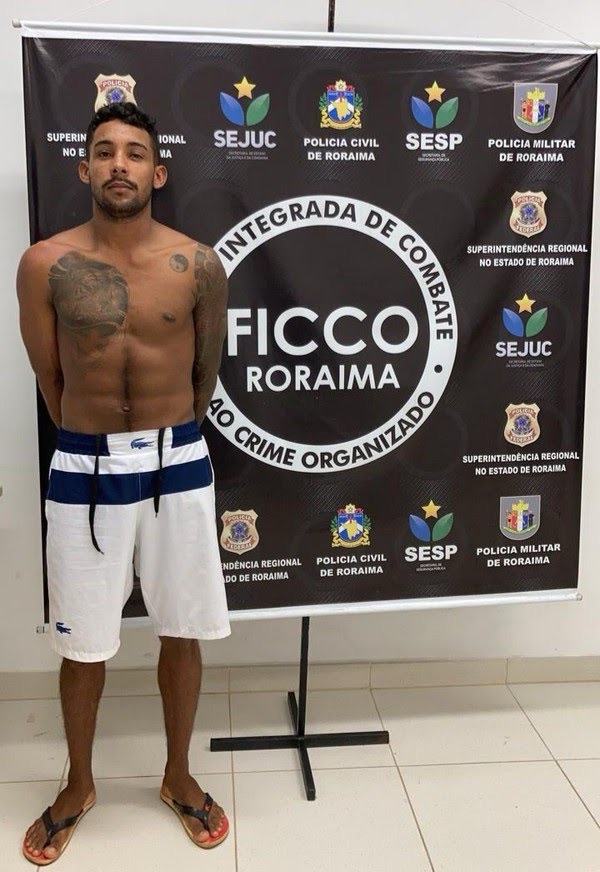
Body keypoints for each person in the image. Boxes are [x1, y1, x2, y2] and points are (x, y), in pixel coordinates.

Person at [17, 101, 231, 865]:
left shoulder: (198, 264)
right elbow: (49, 376)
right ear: (84, 168)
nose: (119, 164)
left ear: (157, 173)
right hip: (85, 463)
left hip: (179, 459)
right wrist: (94, 438)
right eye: (105, 151)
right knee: (82, 637)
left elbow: (206, 372)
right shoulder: (45, 263)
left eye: (134, 153)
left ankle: (178, 775)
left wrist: (165, 435)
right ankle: (79, 784)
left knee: (183, 627)